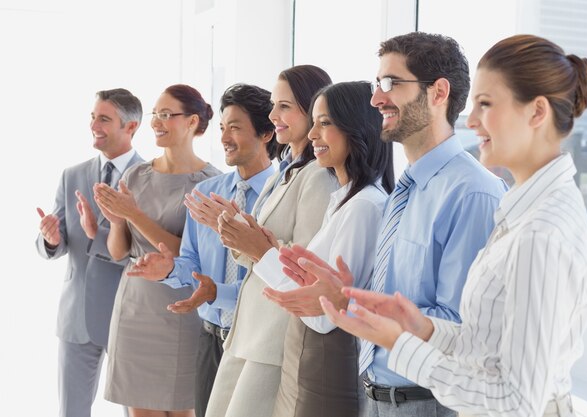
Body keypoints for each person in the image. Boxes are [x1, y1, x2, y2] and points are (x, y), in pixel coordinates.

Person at [321, 34, 587, 417]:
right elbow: (486, 343)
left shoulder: (538, 230)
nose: (471, 120)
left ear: (536, 113)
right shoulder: (522, 212)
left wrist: (400, 343)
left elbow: (515, 401)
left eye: (486, 105)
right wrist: (420, 327)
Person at [270, 32, 507, 417]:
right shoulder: (405, 191)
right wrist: (348, 293)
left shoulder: (471, 193)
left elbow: (462, 331)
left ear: (438, 93)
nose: (376, 98)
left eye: (391, 83)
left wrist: (353, 302)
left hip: (426, 403)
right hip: (377, 396)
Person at [126, 83, 278, 417]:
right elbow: (190, 262)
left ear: (266, 133)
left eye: (235, 128)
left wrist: (215, 292)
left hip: (257, 344)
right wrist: (169, 270)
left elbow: (271, 282)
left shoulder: (280, 196)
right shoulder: (206, 193)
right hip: (210, 340)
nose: (224, 137)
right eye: (223, 127)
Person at [202, 65, 336, 417]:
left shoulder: (318, 178)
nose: (273, 115)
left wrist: (255, 244)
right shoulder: (287, 171)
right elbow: (256, 256)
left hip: (272, 342)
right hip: (246, 334)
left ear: (314, 110)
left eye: (285, 107)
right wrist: (232, 231)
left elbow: (304, 272)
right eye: (274, 106)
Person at [252, 81, 393, 417]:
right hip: (309, 361)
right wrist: (275, 255)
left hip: (329, 369)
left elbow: (326, 316)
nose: (312, 134)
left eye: (325, 123)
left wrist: (263, 255)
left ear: (358, 128)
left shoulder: (364, 207)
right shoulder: (343, 201)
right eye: (314, 122)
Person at [94, 84, 221, 417]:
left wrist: (133, 214)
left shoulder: (211, 184)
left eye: (167, 115)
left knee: (183, 409)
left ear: (193, 121)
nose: (157, 122)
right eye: (156, 114)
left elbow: (193, 255)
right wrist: (118, 222)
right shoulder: (136, 175)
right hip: (136, 308)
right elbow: (120, 251)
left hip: (182, 309)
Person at [36, 88, 143, 417]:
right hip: (76, 315)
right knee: (71, 411)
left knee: (135, 410)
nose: (94, 125)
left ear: (131, 127)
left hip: (129, 314)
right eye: (93, 117)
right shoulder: (72, 174)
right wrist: (51, 239)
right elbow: (58, 241)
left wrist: (100, 233)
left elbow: (143, 247)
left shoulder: (148, 177)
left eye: (104, 119)